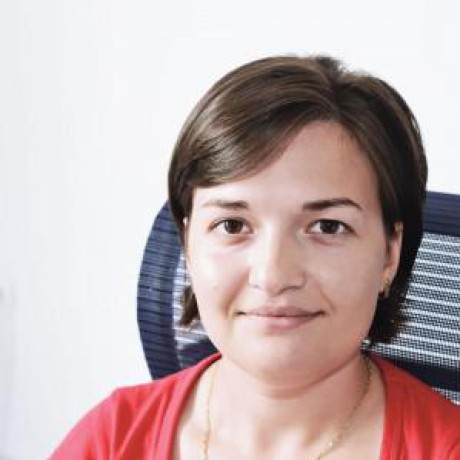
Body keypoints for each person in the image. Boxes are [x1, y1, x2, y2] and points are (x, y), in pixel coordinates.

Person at [51, 55, 460, 459]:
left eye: (327, 226)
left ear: (390, 253)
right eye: (232, 225)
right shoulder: (113, 437)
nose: (273, 275)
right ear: (188, 244)